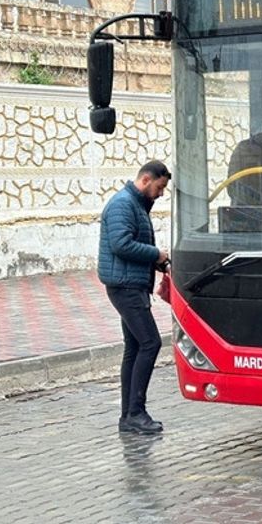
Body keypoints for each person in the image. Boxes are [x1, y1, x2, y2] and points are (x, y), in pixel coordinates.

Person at [98, 160, 171, 435]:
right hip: (125, 287)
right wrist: (157, 254)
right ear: (146, 180)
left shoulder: (136, 205)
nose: (161, 193)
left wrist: (160, 264)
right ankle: (136, 412)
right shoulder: (123, 204)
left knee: (134, 346)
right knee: (150, 343)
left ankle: (128, 416)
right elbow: (121, 244)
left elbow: (131, 243)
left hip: (130, 283)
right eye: (160, 187)